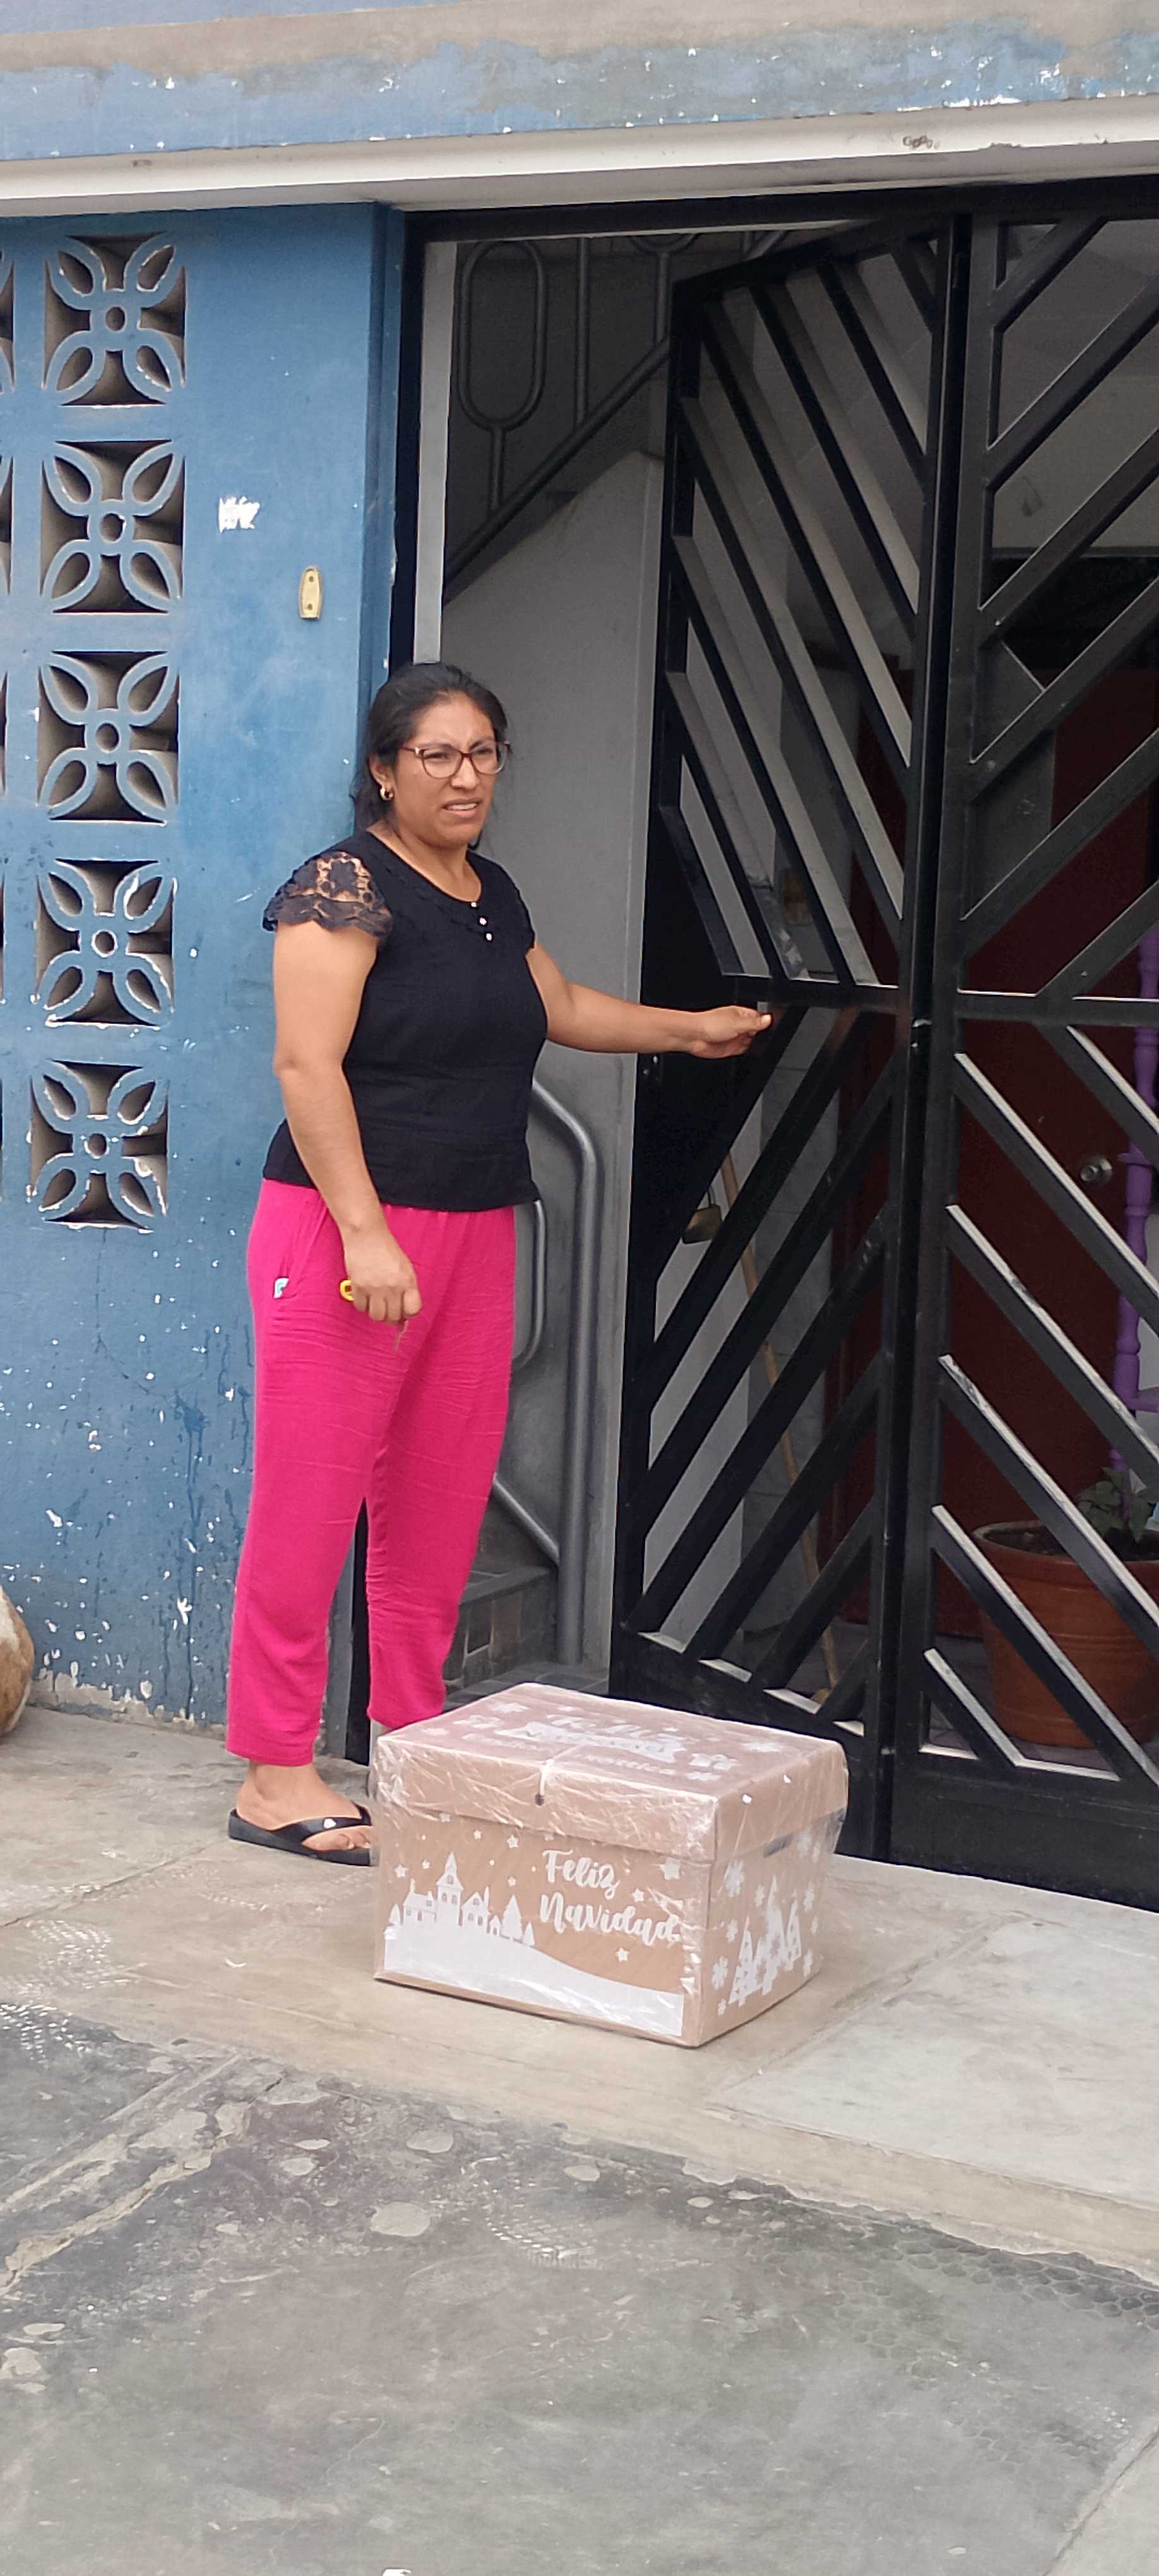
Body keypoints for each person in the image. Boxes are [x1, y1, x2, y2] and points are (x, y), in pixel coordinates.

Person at [225, 662, 771, 1862]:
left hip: (475, 1226)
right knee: (311, 1497)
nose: (466, 777)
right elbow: (307, 1067)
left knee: (437, 1498)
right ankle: (272, 1770)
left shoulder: (489, 891)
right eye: (438, 755)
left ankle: (409, 1739)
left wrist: (690, 1030)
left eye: (483, 754)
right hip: (346, 1227)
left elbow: (559, 1006)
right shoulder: (340, 889)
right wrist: (365, 1232)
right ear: (385, 770)